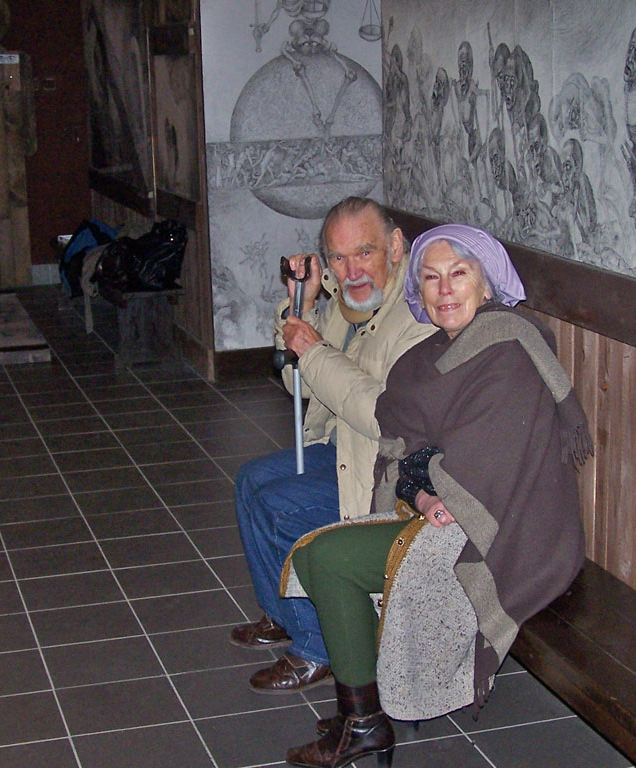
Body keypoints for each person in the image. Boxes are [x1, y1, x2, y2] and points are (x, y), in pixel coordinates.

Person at [279, 224, 593, 767]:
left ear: (487, 284)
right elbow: (405, 447)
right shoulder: (426, 357)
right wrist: (421, 492)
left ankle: (363, 723)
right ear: (417, 291)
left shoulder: (508, 349)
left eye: (459, 274)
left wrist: (426, 483)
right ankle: (362, 709)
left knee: (326, 558)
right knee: (315, 556)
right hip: (445, 509)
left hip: (501, 530)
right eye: (430, 278)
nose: (444, 289)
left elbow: (480, 466)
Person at [231, 197, 436, 693]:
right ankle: (282, 612)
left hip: (387, 473)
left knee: (280, 506)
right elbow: (298, 382)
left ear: (394, 246)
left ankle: (317, 647)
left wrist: (315, 350)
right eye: (338, 258)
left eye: (364, 253)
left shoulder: (418, 315)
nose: (351, 271)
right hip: (345, 449)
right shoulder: (350, 303)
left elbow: (385, 417)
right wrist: (299, 308)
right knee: (250, 481)